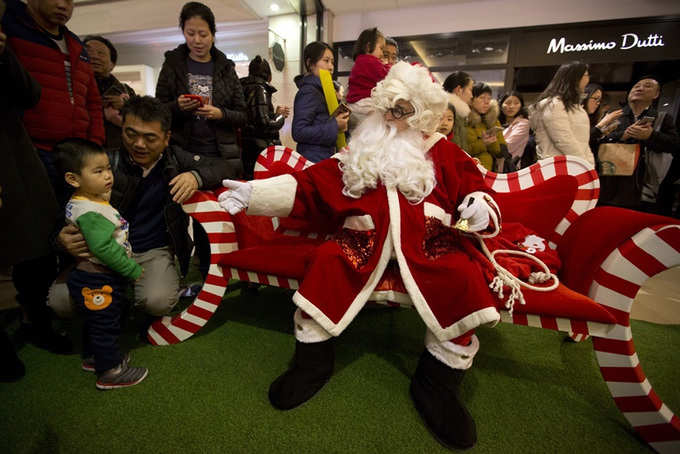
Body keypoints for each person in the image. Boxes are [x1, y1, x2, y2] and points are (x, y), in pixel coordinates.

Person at [219, 62, 562, 450]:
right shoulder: (357, 153)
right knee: (327, 261)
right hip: (359, 241)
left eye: (404, 111)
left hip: (435, 241)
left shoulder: (443, 152)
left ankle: (437, 384)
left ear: (422, 116)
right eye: (388, 108)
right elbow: (309, 187)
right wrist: (255, 194)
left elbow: (476, 187)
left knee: (461, 276)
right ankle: (311, 364)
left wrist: (479, 206)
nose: (392, 117)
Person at [52, 96, 228, 321]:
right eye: (131, 134)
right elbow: (63, 214)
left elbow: (228, 165)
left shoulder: (175, 160)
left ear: (166, 138)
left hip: (152, 251)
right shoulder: (104, 163)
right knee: (61, 302)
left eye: (150, 137)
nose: (139, 144)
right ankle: (117, 301)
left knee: (157, 301)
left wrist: (196, 176)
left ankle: (121, 297)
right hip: (99, 254)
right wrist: (60, 241)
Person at [155, 1, 246, 276]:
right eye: (190, 33)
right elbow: (158, 109)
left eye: (203, 34)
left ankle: (210, 269)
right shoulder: (173, 63)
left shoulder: (225, 67)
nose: (197, 40)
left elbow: (242, 115)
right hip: (181, 150)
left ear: (213, 34)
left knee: (214, 217)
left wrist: (219, 113)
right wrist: (176, 107)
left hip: (218, 155)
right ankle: (181, 268)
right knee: (177, 213)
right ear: (183, 32)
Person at [55, 139, 148, 389]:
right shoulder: (90, 212)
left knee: (95, 321)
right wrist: (131, 269)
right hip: (98, 276)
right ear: (73, 179)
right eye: (98, 171)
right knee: (105, 323)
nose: (108, 176)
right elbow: (102, 248)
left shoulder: (86, 200)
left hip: (92, 274)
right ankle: (110, 371)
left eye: (108, 168)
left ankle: (94, 357)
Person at [0, 31, 64, 378]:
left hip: (17, 157)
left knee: (38, 246)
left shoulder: (10, 45)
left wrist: (5, 54)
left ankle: (37, 321)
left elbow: (31, 94)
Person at [2, 0, 104, 205]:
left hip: (76, 154)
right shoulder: (13, 29)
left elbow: (92, 101)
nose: (62, 5)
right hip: (31, 151)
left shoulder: (76, 45)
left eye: (69, 0)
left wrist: (95, 147)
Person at [597, 76, 680, 213]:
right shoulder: (613, 116)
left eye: (647, 86)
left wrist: (650, 136)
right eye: (636, 86)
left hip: (643, 189)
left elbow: (674, 145)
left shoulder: (662, 118)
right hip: (610, 186)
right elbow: (597, 140)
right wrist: (622, 136)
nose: (640, 88)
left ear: (656, 94)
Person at [292, 41, 349, 163]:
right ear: (310, 63)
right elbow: (299, 131)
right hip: (312, 161)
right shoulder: (309, 91)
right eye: (326, 60)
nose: (331, 67)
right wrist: (335, 125)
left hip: (324, 157)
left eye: (332, 62)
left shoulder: (324, 90)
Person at [530, 61, 594, 167]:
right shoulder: (554, 104)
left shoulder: (576, 107)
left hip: (575, 166)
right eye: (585, 75)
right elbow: (563, 139)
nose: (587, 79)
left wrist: (589, 164)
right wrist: (584, 164)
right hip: (558, 168)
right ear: (574, 78)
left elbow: (584, 143)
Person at [84, 35, 136, 156]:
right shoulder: (74, 88)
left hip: (120, 153)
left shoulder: (126, 91)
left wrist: (125, 106)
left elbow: (142, 120)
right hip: (85, 151)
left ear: (112, 64)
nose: (94, 56)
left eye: (101, 53)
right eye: (88, 51)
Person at [240, 55, 290, 179]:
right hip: (260, 148)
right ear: (269, 75)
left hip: (247, 146)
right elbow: (264, 124)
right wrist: (280, 116)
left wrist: (274, 114)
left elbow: (254, 117)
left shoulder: (243, 88)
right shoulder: (260, 89)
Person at [346, 27, 390, 129]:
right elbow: (387, 75)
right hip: (364, 102)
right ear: (368, 46)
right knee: (385, 118)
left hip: (355, 103)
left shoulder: (360, 61)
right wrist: (387, 65)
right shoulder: (370, 61)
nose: (382, 53)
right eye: (381, 48)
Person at [466, 82, 508, 171]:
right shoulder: (465, 120)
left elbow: (501, 151)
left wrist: (492, 142)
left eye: (489, 98)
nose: (486, 102)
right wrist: (482, 143)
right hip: (470, 170)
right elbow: (462, 150)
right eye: (482, 98)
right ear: (472, 100)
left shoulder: (493, 120)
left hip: (492, 172)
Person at [442, 71, 473, 152]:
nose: (472, 95)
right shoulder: (448, 111)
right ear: (459, 89)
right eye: (470, 90)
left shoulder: (460, 112)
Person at [499, 91, 530, 168]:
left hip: (508, 168)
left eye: (516, 103)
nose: (512, 106)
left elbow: (507, 147)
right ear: (501, 105)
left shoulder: (523, 124)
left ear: (521, 106)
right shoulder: (496, 122)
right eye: (508, 103)